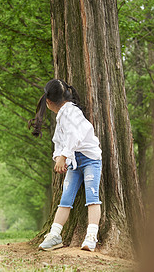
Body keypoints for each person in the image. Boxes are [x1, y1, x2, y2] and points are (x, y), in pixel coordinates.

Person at [29, 79, 102, 252]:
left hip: (90, 159)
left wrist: (63, 156)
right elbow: (58, 141)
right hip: (74, 163)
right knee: (65, 200)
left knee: (92, 198)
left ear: (48, 102)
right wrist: (58, 158)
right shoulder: (61, 115)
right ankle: (55, 235)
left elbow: (74, 136)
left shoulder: (71, 112)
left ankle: (91, 236)